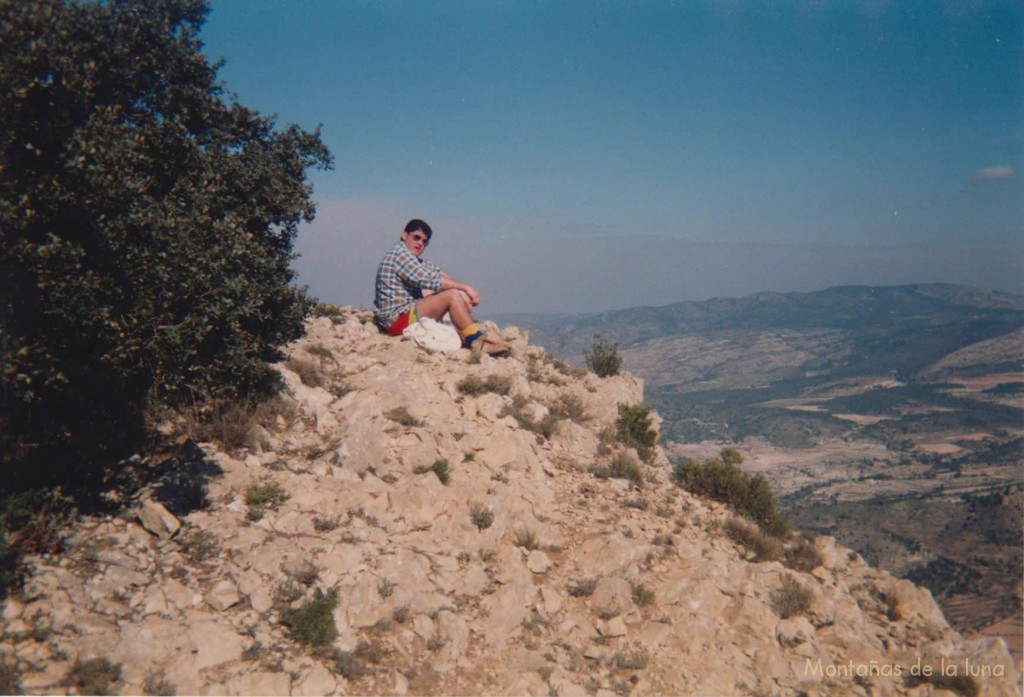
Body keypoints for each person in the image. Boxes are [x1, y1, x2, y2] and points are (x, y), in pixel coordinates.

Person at [373, 219, 510, 355]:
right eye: (416, 237)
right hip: (396, 321)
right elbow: (428, 279)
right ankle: (476, 341)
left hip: (401, 314)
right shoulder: (400, 255)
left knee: (452, 292)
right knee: (451, 296)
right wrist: (465, 289)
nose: (420, 243)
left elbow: (436, 272)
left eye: (424, 241)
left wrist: (462, 293)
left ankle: (464, 330)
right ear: (404, 235)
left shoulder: (409, 257)